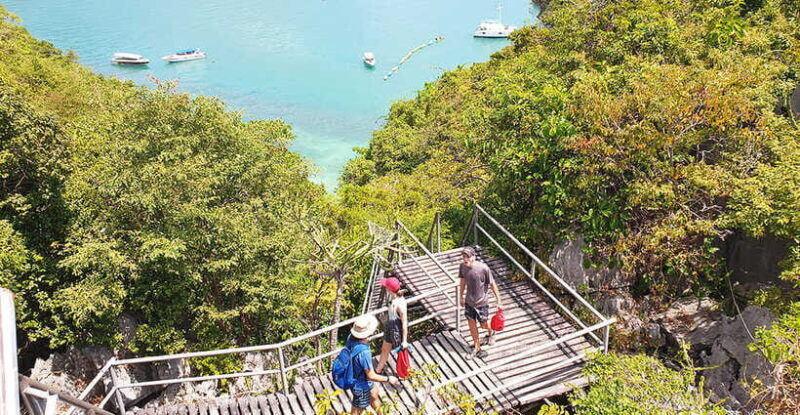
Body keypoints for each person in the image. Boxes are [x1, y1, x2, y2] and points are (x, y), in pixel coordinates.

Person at [346, 314, 399, 414]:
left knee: (373, 394)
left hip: (353, 373)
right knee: (357, 408)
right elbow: (370, 376)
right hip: (360, 383)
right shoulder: (364, 352)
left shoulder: (350, 338)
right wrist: (388, 379)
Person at [458, 246, 502, 359]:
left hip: (482, 302)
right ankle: (477, 347)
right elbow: (462, 281)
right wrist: (461, 296)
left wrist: (499, 301)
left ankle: (491, 332)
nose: (465, 259)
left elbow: (492, 285)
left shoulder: (483, 268)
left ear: (473, 257)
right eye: (463, 256)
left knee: (483, 324)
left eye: (467, 256)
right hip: (469, 301)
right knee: (471, 323)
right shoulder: (462, 267)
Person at [375, 275, 408, 374]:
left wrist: (404, 341)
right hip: (389, 326)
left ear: (389, 289)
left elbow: (404, 322)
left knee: (401, 352)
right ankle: (378, 369)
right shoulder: (393, 298)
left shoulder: (400, 304)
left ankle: (403, 372)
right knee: (385, 349)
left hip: (397, 329)